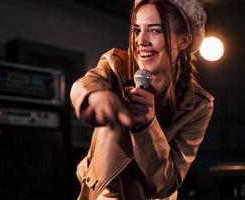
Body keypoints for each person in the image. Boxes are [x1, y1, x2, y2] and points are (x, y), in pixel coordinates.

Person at [70, 0, 214, 199]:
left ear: (183, 40)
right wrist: (95, 96)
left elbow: (166, 184)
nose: (141, 40)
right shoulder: (116, 64)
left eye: (155, 30)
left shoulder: (199, 105)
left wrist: (146, 125)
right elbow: (87, 83)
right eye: (137, 30)